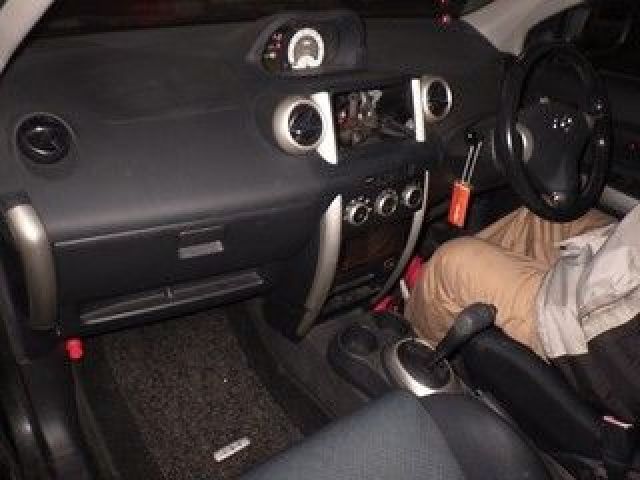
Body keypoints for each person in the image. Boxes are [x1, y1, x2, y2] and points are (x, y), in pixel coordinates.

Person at [407, 206, 640, 423]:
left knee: (452, 266)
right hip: (623, 261)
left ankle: (414, 356)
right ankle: (430, 292)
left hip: (609, 334)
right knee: (542, 216)